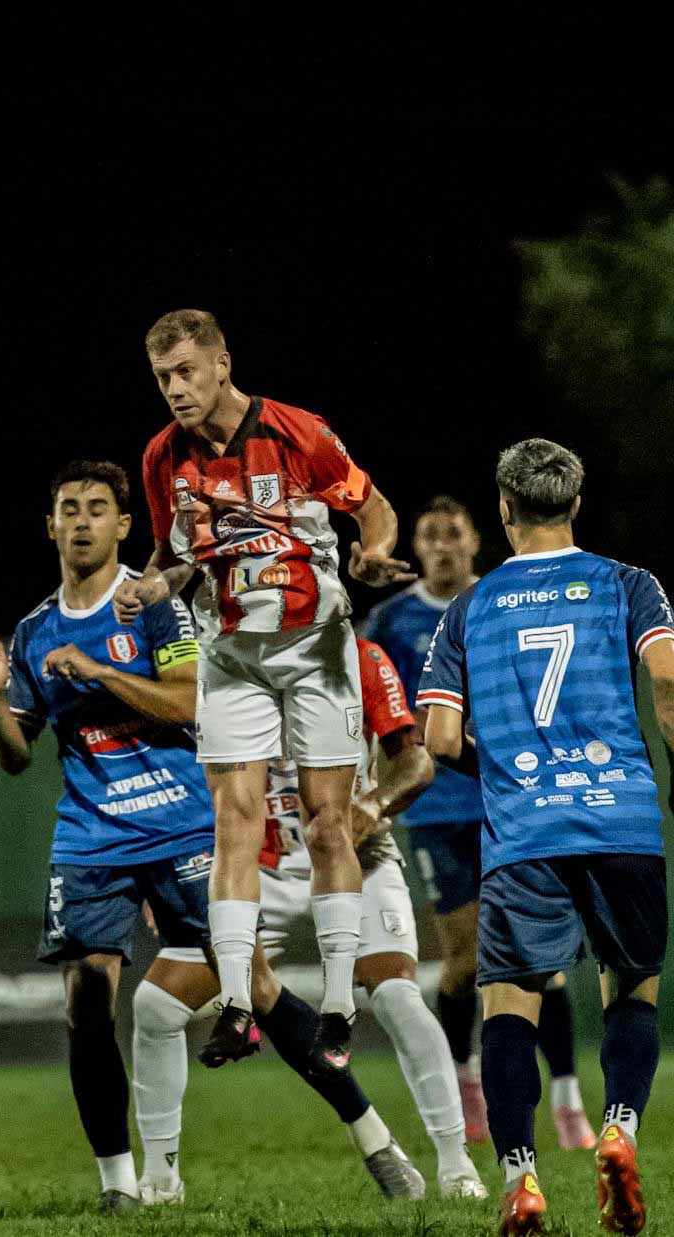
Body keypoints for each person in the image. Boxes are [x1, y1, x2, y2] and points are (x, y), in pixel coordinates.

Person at [114, 308, 414, 1073]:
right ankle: (240, 1005)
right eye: (161, 378)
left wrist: (374, 551)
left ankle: (341, 1006)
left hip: (316, 645)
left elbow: (372, 505)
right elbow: (173, 555)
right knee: (235, 819)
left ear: (222, 364)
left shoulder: (296, 431)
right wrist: (151, 586)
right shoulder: (161, 458)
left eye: (185, 372)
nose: (175, 390)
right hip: (231, 653)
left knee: (326, 825)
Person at [418, 439, 674, 1235]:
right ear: (575, 502)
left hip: (525, 830)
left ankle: (522, 1178)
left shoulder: (470, 606)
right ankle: (619, 1128)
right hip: (622, 816)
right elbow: (666, 679)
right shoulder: (629, 583)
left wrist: (509, 761)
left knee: (508, 1003)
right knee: (631, 987)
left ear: (503, 509)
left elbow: (437, 734)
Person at [132, 637, 487, 1203]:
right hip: (258, 868)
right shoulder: (220, 665)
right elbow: (196, 781)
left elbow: (416, 760)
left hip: (354, 854)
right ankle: (158, 1180)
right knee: (154, 1006)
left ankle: (455, 1163)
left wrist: (372, 804)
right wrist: (180, 876)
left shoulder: (356, 655)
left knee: (396, 997)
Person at [0, 459, 217, 1214]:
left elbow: (185, 706)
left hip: (179, 819)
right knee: (85, 999)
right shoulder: (36, 628)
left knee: (253, 982)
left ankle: (374, 1136)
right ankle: (118, 1182)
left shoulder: (155, 607)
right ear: (51, 526)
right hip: (91, 837)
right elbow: (17, 756)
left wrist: (98, 673)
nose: (80, 520)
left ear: (122, 524)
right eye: (67, 508)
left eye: (96, 507)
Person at [365, 496, 594, 1150]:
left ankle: (570, 1099)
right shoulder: (389, 619)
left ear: (475, 542)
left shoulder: (506, 600)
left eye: (452, 534)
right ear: (417, 544)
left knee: (541, 959)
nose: (440, 546)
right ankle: (468, 1083)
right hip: (438, 808)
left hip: (513, 800)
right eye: (428, 535)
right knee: (463, 962)